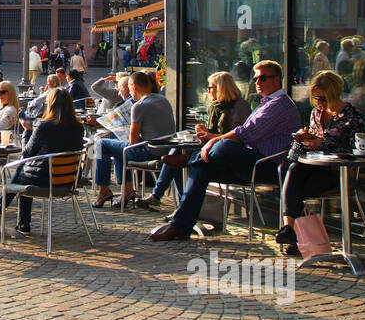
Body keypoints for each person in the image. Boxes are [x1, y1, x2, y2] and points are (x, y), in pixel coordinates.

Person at [152, 60, 300, 242]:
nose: (257, 83)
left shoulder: (279, 104)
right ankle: (180, 226)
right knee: (202, 168)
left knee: (223, 146)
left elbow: (245, 133)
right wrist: (211, 139)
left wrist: (212, 140)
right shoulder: (265, 103)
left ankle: (190, 159)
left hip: (267, 165)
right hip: (248, 159)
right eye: (255, 79)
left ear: (276, 80)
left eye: (262, 78)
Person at [277, 70, 365, 256]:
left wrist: (322, 143)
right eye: (316, 98)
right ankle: (293, 234)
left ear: (334, 94)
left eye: (323, 98)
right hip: (313, 167)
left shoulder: (351, 116)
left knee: (293, 184)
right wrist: (305, 138)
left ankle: (291, 233)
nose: (319, 103)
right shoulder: (316, 113)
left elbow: (355, 149)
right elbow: (312, 142)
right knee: (292, 170)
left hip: (337, 172)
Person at [139, 71, 251, 211]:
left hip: (227, 151)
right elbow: (213, 131)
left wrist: (208, 135)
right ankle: (179, 205)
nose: (208, 91)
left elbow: (238, 134)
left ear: (221, 88)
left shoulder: (240, 106)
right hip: (209, 146)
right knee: (175, 155)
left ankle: (167, 199)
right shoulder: (215, 106)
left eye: (210, 87)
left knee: (176, 158)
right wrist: (204, 131)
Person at [0, 87, 86, 235]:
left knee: (24, 170)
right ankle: (3, 206)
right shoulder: (78, 127)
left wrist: (27, 131)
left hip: (46, 179)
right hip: (70, 178)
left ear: (50, 105)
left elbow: (27, 153)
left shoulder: (44, 126)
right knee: (25, 170)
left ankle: (20, 219)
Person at [91, 70, 176, 208]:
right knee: (117, 146)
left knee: (101, 144)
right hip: (166, 149)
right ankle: (127, 190)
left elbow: (133, 141)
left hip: (149, 152)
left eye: (129, 88)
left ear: (134, 86)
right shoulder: (163, 100)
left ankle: (104, 190)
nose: (129, 93)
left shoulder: (139, 105)